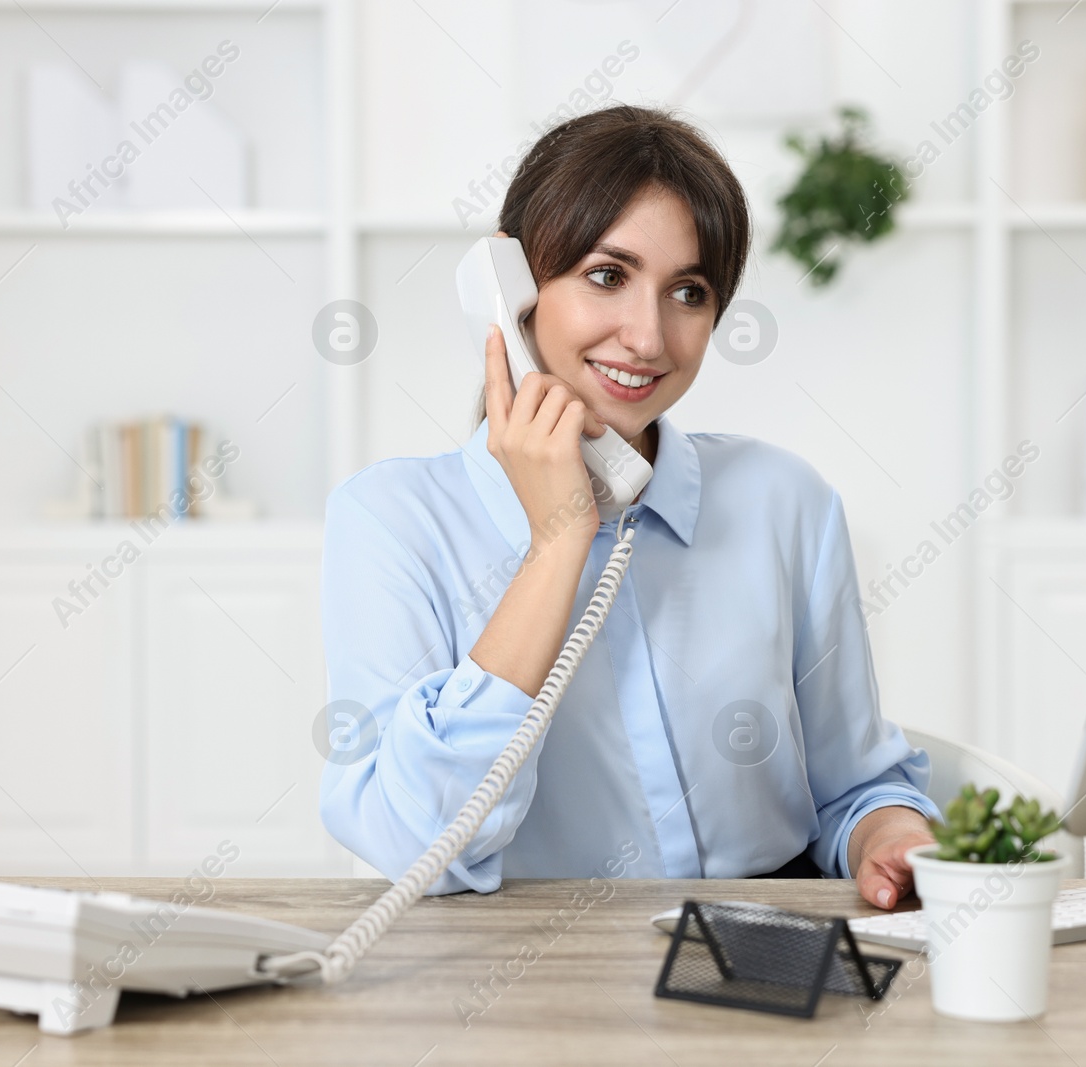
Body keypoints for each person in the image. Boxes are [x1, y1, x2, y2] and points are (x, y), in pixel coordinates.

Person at [319, 105, 938, 909]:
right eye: (607, 276)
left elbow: (854, 785)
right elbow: (421, 843)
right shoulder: (392, 519)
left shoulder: (786, 502)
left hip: (772, 956)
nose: (648, 337)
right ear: (510, 290)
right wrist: (557, 542)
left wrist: (891, 835)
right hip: (526, 977)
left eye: (688, 291)